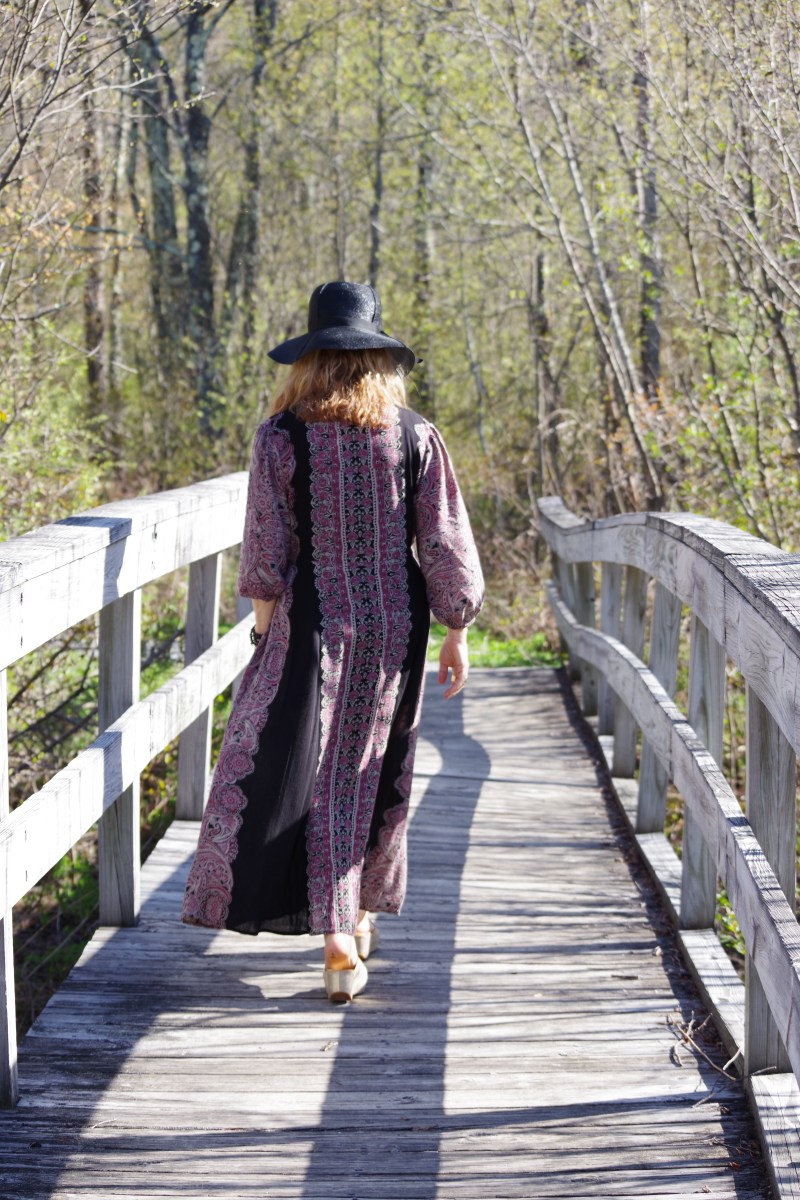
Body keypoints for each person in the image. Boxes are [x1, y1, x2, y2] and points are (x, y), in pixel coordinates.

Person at [181, 281, 484, 1002]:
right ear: (380, 361)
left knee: (302, 771)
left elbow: (266, 549)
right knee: (370, 767)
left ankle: (341, 934)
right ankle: (347, 925)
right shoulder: (414, 435)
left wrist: (265, 630)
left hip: (312, 621)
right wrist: (457, 629)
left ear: (308, 359)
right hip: (395, 623)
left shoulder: (279, 437)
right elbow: (444, 540)